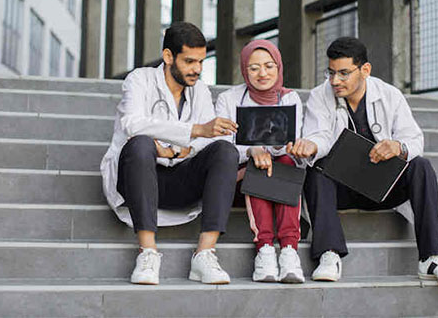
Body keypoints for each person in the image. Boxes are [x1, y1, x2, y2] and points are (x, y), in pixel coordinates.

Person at [286, 37, 438, 284]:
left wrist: (398, 147)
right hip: (342, 189)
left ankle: (432, 257)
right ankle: (329, 254)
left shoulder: (389, 95)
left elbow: (414, 140)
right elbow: (320, 134)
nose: (335, 81)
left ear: (365, 70)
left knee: (421, 166)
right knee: (317, 170)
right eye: (330, 73)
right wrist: (312, 145)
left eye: (343, 73)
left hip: (383, 188)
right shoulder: (321, 95)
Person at [100, 22, 240, 285]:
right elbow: (132, 123)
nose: (197, 69)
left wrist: (174, 151)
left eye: (201, 61)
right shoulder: (140, 79)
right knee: (141, 144)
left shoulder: (199, 90)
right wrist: (193, 131)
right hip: (138, 178)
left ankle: (205, 254)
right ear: (168, 57)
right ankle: (147, 253)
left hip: (178, 180)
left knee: (224, 150)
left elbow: (208, 138)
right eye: (189, 61)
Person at [215, 40, 306, 283]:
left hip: (280, 168)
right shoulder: (229, 98)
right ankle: (265, 248)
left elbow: (292, 139)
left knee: (284, 160)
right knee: (259, 165)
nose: (262, 74)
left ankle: (289, 250)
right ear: (245, 69)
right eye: (254, 68)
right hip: (240, 177)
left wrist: (276, 146)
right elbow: (223, 143)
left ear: (279, 67)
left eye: (269, 66)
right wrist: (252, 150)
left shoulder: (290, 98)